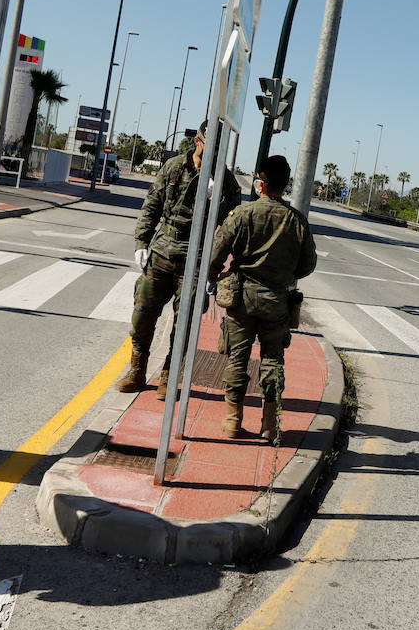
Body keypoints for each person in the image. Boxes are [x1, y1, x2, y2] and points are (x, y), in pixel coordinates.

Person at [115, 120, 240, 398]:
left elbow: (231, 227)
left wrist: (216, 201)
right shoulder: (173, 167)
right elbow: (152, 206)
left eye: (219, 150)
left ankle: (169, 376)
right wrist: (141, 242)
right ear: (198, 141)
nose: (214, 154)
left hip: (195, 258)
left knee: (184, 322)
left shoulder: (226, 181)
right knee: (142, 313)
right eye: (210, 147)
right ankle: (137, 369)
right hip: (162, 251)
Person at [209, 155, 317, 440]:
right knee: (272, 360)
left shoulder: (242, 215)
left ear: (261, 183)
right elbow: (308, 265)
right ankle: (269, 425)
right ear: (285, 184)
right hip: (276, 301)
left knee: (237, 358)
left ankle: (233, 421)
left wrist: (211, 279)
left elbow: (216, 255)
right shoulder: (297, 221)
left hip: (241, 297)